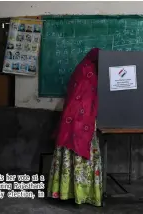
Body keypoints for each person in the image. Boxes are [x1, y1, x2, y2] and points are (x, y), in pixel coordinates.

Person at [47, 48, 102, 206]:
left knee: (68, 157)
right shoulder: (89, 71)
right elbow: (88, 97)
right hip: (81, 120)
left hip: (72, 119)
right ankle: (81, 194)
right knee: (81, 156)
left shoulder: (82, 68)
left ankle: (66, 192)